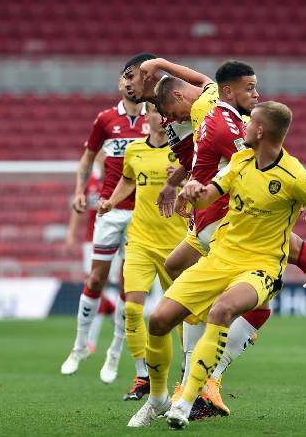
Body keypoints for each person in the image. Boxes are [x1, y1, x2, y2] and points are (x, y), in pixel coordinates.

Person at [124, 55, 306, 415]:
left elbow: (211, 106)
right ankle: (202, 380)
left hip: (220, 214)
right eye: (251, 89)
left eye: (134, 78)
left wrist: (160, 63)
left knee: (215, 274)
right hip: (216, 216)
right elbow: (230, 140)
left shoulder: (209, 109)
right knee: (236, 279)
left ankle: (198, 381)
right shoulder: (204, 112)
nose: (257, 95)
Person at [61, 73, 148, 383]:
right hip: (110, 213)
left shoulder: (158, 119)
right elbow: (86, 160)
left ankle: (114, 352)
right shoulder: (106, 120)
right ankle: (79, 346)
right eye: (125, 78)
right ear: (119, 84)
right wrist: (80, 191)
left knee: (130, 288)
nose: (129, 83)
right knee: (96, 279)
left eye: (135, 78)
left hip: (143, 215)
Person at [97, 103, 187, 401]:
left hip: (176, 246)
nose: (160, 117)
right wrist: (111, 201)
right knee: (131, 308)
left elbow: (204, 181)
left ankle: (188, 375)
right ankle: (142, 376)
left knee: (184, 315)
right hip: (140, 241)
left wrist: (184, 178)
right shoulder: (134, 150)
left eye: (165, 113)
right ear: (146, 117)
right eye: (154, 112)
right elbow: (127, 180)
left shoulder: (183, 150)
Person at [64, 160, 118, 354]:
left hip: (113, 240)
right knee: (95, 285)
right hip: (91, 241)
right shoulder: (91, 180)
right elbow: (79, 209)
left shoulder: (116, 177)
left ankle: (91, 339)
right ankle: (97, 335)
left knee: (99, 286)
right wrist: (71, 235)